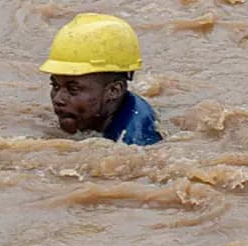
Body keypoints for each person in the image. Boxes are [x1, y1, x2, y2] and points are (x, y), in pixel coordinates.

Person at [39, 13, 162, 146]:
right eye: (55, 86)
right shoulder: (105, 109)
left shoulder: (133, 142)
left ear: (114, 90)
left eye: (73, 89)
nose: (58, 99)